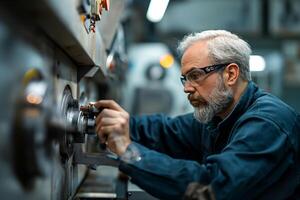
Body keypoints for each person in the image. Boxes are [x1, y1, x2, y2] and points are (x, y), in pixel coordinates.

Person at [92, 30, 300, 199]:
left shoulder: (268, 123)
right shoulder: (218, 116)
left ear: (230, 74)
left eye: (195, 76)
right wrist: (114, 121)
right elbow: (166, 131)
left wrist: (129, 153)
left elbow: (211, 187)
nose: (187, 88)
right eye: (185, 79)